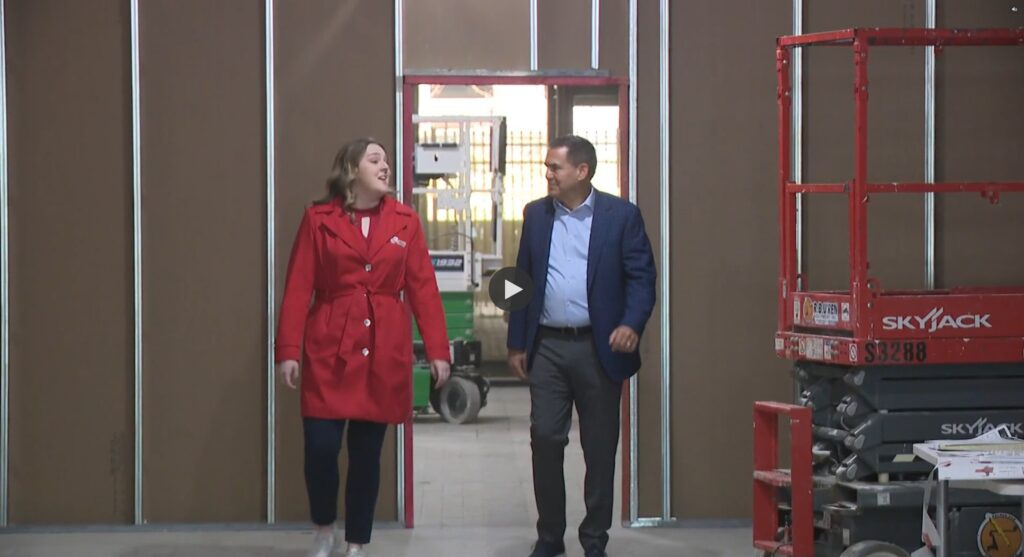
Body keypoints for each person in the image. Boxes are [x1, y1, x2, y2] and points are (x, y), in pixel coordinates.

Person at [275, 138, 451, 557]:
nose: (385, 166)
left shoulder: (406, 221)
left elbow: (423, 288)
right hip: (329, 346)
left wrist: (439, 350)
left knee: (367, 455)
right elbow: (298, 287)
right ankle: (324, 528)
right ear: (351, 170)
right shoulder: (318, 220)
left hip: (384, 349)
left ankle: (357, 541)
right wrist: (288, 350)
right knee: (320, 449)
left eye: (387, 160)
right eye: (375, 160)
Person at [507, 135, 657, 557]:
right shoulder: (536, 215)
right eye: (547, 167)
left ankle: (594, 540)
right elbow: (521, 280)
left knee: (600, 446)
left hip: (599, 348)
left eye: (554, 167)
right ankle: (550, 537)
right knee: (546, 437)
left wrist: (631, 324)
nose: (547, 174)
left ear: (582, 171)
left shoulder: (621, 216)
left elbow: (642, 278)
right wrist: (517, 342)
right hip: (549, 348)